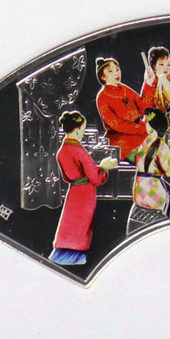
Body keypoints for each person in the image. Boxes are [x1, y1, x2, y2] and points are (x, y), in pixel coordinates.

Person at [48, 110, 119, 265]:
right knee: (82, 226)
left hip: (73, 191)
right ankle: (76, 257)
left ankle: (63, 253)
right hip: (85, 193)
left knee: (70, 223)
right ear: (78, 128)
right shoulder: (79, 151)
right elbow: (96, 178)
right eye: (83, 129)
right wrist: (104, 167)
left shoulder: (62, 151)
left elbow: (66, 177)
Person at [127, 107, 170, 227]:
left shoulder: (144, 143)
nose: (144, 123)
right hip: (152, 191)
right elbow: (169, 171)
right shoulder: (162, 147)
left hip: (139, 189)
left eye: (146, 121)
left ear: (151, 128)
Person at [95, 56, 148, 159]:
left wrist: (148, 83)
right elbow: (116, 124)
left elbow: (143, 107)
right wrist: (142, 128)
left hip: (140, 131)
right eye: (110, 71)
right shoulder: (102, 97)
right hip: (120, 138)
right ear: (103, 77)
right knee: (146, 157)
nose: (116, 73)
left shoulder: (124, 89)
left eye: (117, 69)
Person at [141, 46, 170, 113]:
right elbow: (144, 108)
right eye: (161, 64)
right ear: (154, 66)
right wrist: (148, 84)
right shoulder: (150, 81)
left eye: (169, 65)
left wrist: (163, 80)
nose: (166, 68)